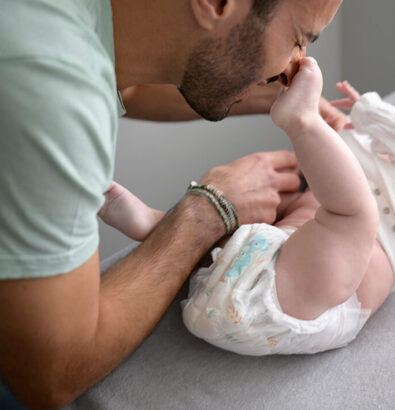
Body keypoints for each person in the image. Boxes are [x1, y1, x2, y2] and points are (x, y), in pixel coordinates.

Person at [0, 0, 345, 407]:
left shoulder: (78, 27)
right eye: (298, 40)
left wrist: (253, 88)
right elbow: (51, 375)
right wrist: (208, 211)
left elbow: (128, 85)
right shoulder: (50, 83)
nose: (295, 65)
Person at [101, 58, 395, 356]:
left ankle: (300, 121)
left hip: (317, 303)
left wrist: (321, 131)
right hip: (242, 283)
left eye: (381, 152)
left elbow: (360, 189)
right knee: (246, 225)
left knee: (356, 215)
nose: (359, 146)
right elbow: (308, 194)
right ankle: (159, 225)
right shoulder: (320, 201)